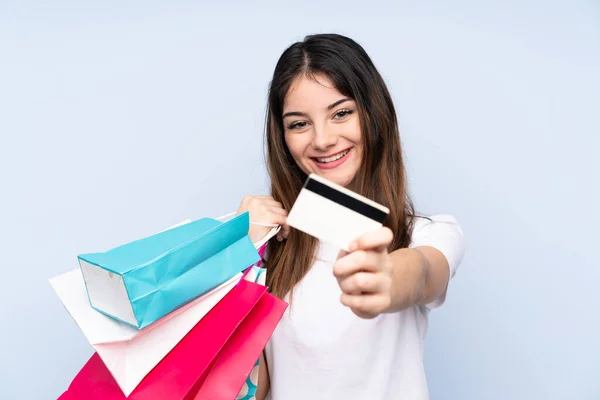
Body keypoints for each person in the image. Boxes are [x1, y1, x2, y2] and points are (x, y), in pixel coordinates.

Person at [236, 33, 465, 400]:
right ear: (282, 138)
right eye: (299, 124)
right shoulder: (270, 246)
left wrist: (387, 277)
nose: (323, 139)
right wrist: (237, 258)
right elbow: (250, 391)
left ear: (374, 114)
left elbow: (424, 273)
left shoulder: (427, 233)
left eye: (341, 113)